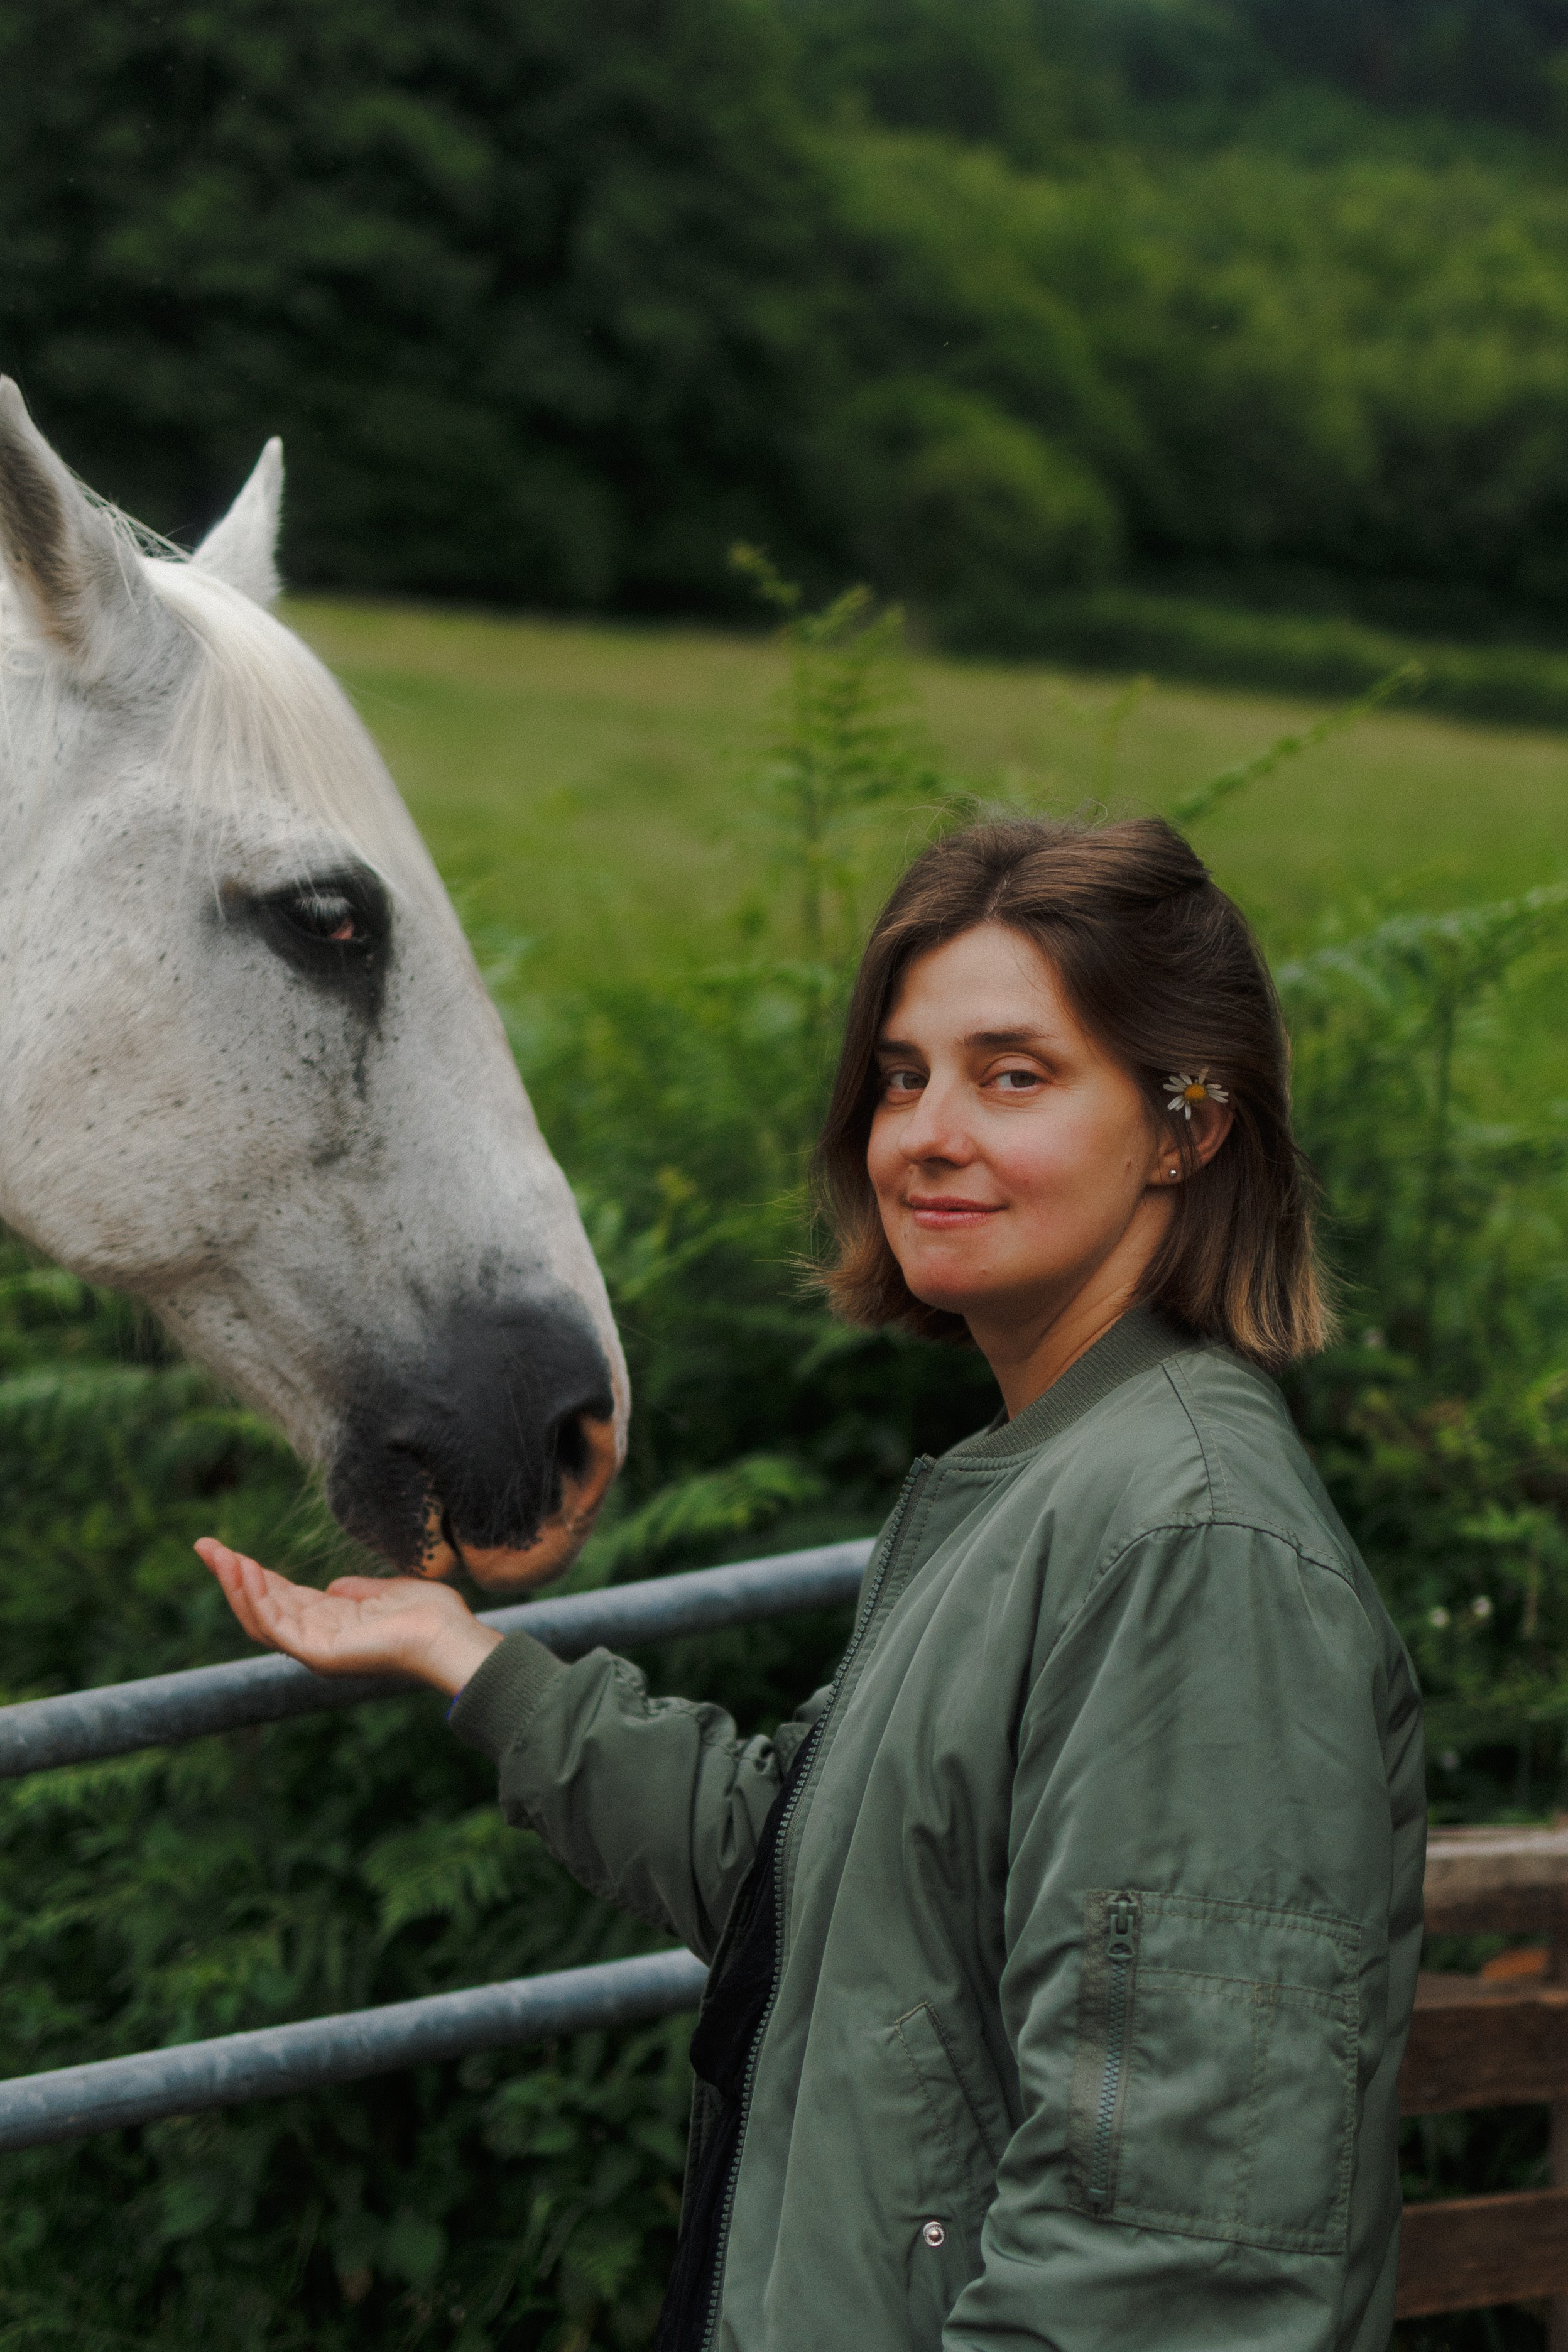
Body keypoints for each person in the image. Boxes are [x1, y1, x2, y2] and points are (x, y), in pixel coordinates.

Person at [200, 815, 1425, 2352]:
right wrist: (475, 1667)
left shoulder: (1192, 1553)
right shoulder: (1049, 1478)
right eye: (904, 1077)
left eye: (1015, 1074)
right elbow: (811, 1888)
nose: (926, 1132)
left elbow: (1174, 2264)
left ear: (1188, 1125)